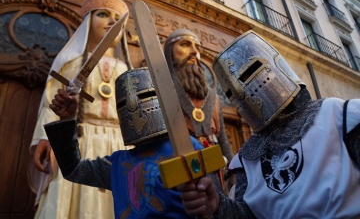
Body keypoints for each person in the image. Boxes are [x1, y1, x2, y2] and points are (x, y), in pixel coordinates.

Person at [177, 31, 360, 218]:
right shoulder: (244, 162)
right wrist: (218, 205)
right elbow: (247, 215)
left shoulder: (341, 115)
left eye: (250, 72)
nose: (242, 89)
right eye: (232, 92)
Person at [44, 68, 220, 218]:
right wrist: (68, 119)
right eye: (125, 103)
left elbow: (217, 206)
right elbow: (74, 170)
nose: (134, 106)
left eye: (146, 96)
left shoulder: (190, 147)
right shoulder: (117, 164)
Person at [27, 0, 133, 218]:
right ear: (87, 24)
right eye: (103, 14)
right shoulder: (72, 62)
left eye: (118, 19)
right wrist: (46, 137)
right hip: (79, 141)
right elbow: (51, 101)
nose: (112, 22)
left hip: (120, 145)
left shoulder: (126, 69)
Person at [163, 29, 233, 163]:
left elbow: (222, 139)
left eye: (197, 47)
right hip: (176, 163)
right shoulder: (161, 90)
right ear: (169, 53)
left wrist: (233, 168)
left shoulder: (213, 98)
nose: (195, 51)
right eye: (185, 44)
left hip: (213, 166)